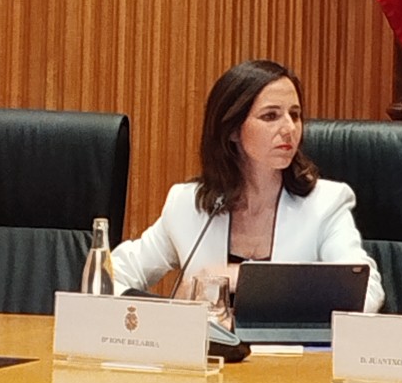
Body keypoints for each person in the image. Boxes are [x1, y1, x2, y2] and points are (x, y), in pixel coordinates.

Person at [111, 60, 384, 310]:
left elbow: (367, 293)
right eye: (270, 116)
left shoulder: (325, 204)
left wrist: (239, 277)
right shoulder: (187, 206)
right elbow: (108, 277)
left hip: (291, 350)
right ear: (232, 130)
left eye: (295, 115)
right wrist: (170, 310)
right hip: (209, 349)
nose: (289, 128)